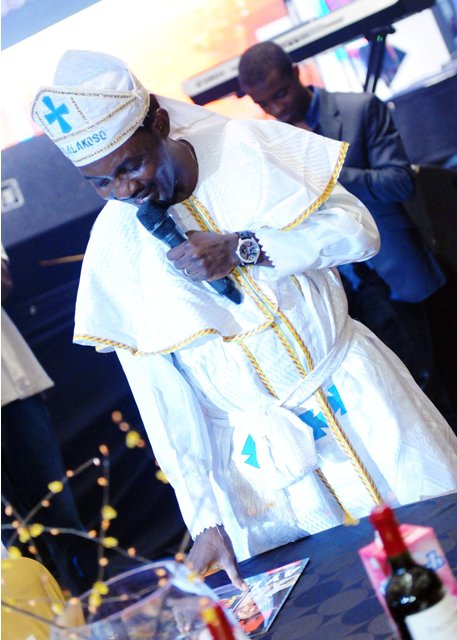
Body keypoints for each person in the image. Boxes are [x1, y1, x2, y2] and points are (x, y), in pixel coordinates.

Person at [30, 49, 457, 590]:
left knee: (439, 554)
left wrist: (245, 248)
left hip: (364, 403)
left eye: (131, 166)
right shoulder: (114, 250)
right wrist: (204, 517)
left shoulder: (246, 147)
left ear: (159, 123)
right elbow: (162, 398)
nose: (124, 191)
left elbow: (359, 233)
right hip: (263, 472)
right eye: (100, 183)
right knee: (332, 601)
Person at [237, 41, 457, 429]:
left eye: (280, 94)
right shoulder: (272, 144)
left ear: (296, 73)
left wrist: (323, 169)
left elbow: (400, 183)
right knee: (403, 404)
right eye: (264, 103)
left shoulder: (360, 109)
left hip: (403, 276)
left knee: (446, 383)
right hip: (346, 298)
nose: (276, 109)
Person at [1, 244, 96, 595]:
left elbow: (3, 282)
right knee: (8, 535)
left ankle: (93, 604)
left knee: (58, 512)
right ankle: (38, 615)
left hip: (12, 386)